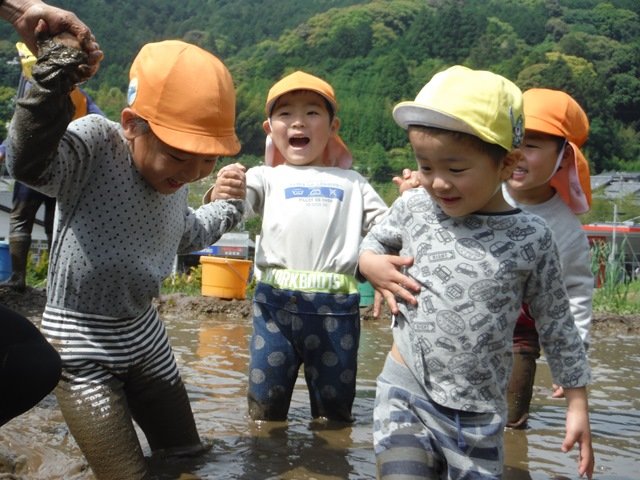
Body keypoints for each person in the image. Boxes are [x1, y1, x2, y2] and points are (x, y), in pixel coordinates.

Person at [5, 37, 246, 480]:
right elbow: (28, 166)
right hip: (80, 345)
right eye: (179, 156)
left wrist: (227, 206)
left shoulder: (177, 175)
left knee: (187, 455)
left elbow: (186, 233)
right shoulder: (97, 144)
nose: (191, 173)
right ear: (133, 124)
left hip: (144, 336)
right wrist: (46, 91)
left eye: (207, 160)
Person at [357, 65, 594, 479]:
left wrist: (576, 403)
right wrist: (369, 264)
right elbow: (374, 243)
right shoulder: (415, 208)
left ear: (507, 164)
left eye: (456, 169)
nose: (437, 183)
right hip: (404, 387)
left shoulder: (531, 237)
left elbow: (557, 322)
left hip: (477, 411)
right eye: (425, 166)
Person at [241, 71, 388, 422]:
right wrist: (226, 186)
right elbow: (236, 204)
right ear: (269, 128)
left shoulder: (353, 183)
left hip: (336, 309)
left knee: (335, 415)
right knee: (264, 411)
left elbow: (387, 229)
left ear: (332, 126)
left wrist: (409, 203)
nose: (298, 122)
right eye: (286, 114)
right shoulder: (265, 177)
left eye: (311, 113)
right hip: (274, 308)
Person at [1, 0, 101, 428]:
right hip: (31, 175)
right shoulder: (30, 93)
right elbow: (14, 147)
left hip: (65, 172)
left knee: (54, 225)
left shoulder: (83, 100)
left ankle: (42, 278)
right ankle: (22, 277)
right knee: (25, 222)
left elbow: (93, 128)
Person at [504, 88, 594, 428]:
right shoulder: (477, 191)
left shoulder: (566, 229)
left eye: (531, 145)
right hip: (471, 319)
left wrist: (571, 361)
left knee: (511, 424)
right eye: (512, 141)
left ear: (564, 157)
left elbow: (576, 295)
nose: (517, 154)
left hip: (521, 334)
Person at [3, 41, 105, 292]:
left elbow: (17, 134)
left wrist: (5, 151)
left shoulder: (31, 92)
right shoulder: (79, 97)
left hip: (34, 166)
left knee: (22, 219)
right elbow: (100, 122)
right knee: (53, 223)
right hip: (63, 168)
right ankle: (52, 280)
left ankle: (19, 278)